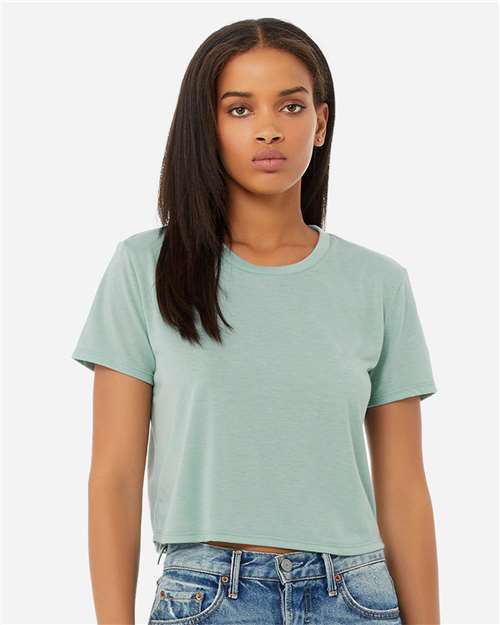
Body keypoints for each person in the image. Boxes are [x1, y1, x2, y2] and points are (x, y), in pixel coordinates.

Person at [72, 17, 440, 625]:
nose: (269, 128)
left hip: (354, 596)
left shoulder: (378, 282)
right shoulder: (146, 267)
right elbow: (113, 475)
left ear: (320, 122)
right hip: (207, 596)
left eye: (291, 106)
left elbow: (404, 489)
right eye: (240, 109)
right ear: (208, 125)